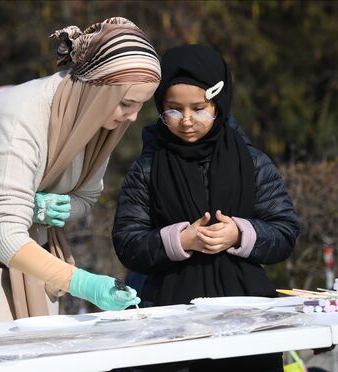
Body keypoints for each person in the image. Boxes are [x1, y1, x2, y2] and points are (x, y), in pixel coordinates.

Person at [0, 17, 161, 322]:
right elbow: (7, 235)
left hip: (32, 250)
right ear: (98, 89)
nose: (132, 117)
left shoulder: (100, 122)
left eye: (140, 105)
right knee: (6, 354)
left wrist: (49, 208)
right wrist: (84, 283)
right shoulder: (17, 118)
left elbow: (85, 198)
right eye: (127, 103)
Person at [112, 44, 300, 371]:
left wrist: (240, 233)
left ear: (219, 103)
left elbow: (284, 231)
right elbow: (128, 242)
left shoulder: (252, 162)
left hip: (247, 319)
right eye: (173, 109)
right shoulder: (147, 167)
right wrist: (180, 240)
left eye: (199, 108)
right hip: (167, 322)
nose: (186, 121)